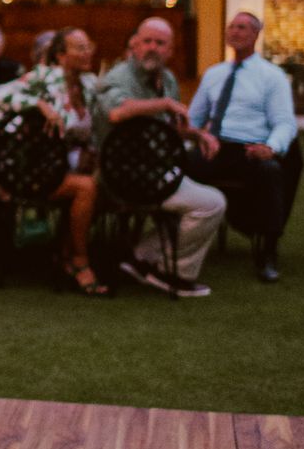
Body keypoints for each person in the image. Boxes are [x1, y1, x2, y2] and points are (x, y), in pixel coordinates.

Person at [94, 16, 226, 299]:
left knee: (206, 198)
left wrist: (197, 135)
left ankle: (140, 257)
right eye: (147, 41)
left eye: (160, 43)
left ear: (170, 50)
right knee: (211, 204)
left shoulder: (165, 79)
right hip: (122, 175)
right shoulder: (118, 78)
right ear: (135, 45)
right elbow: (117, 112)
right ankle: (171, 272)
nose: (152, 48)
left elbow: (170, 128)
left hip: (157, 170)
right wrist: (164, 103)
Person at [0, 27, 110, 297]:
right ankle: (79, 261)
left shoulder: (89, 83)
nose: (87, 52)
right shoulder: (45, 77)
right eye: (79, 48)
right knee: (87, 188)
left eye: (88, 45)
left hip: (73, 164)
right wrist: (39, 105)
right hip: (39, 169)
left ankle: (64, 252)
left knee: (104, 180)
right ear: (61, 55)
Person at [187, 11, 300, 283]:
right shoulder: (214, 74)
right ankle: (179, 242)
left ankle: (268, 251)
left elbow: (285, 122)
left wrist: (270, 147)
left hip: (249, 149)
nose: (235, 32)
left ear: (255, 35)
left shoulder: (271, 77)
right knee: (178, 167)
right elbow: (194, 118)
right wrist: (195, 137)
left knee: (271, 172)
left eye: (242, 28)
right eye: (232, 27)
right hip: (215, 145)